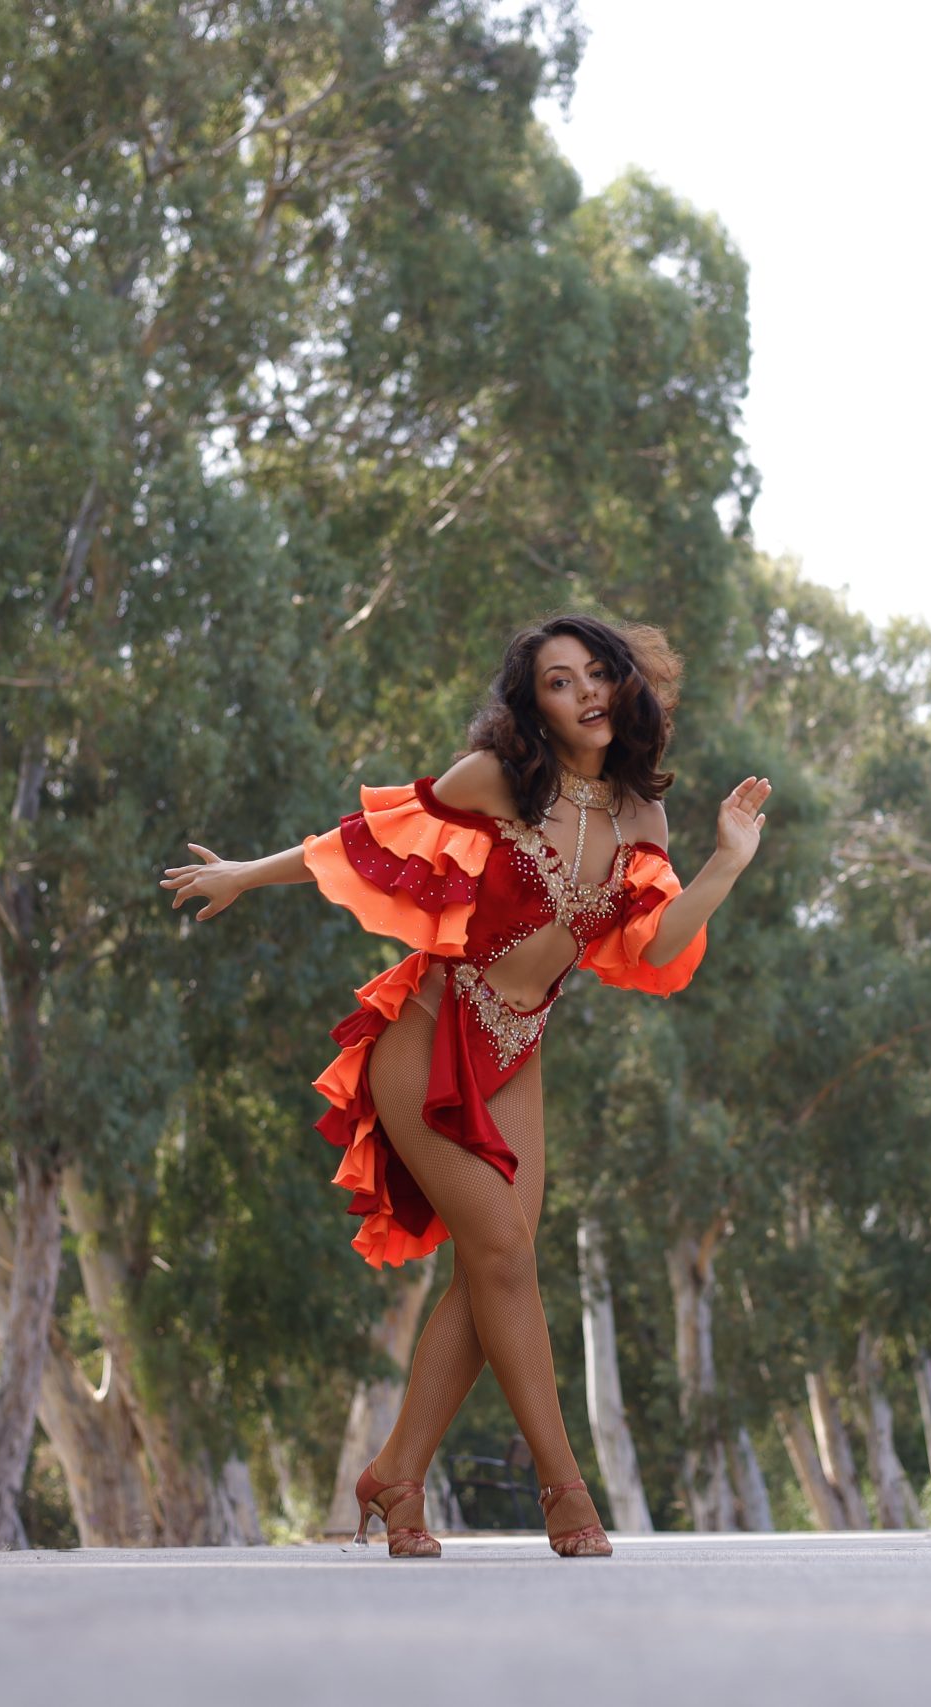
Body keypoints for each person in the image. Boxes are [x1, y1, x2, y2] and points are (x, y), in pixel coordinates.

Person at [160, 614, 770, 1558]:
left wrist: (727, 861)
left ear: (624, 684)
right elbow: (365, 838)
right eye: (559, 681)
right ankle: (565, 1491)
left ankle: (395, 1475)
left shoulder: (640, 818)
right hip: (430, 1031)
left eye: (597, 672)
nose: (586, 691)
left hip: (519, 1050)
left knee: (494, 1266)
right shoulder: (495, 780)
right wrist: (246, 874)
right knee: (504, 1254)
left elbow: (659, 943)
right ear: (535, 705)